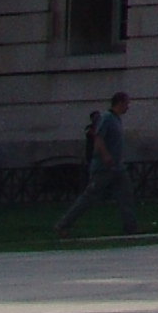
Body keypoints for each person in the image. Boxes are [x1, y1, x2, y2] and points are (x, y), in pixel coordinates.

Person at [54, 92, 140, 238]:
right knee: (89, 197)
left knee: (126, 195)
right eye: (127, 103)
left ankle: (130, 227)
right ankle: (63, 224)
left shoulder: (117, 119)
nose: (128, 107)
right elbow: (98, 138)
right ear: (119, 103)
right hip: (104, 168)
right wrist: (105, 155)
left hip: (118, 167)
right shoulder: (106, 118)